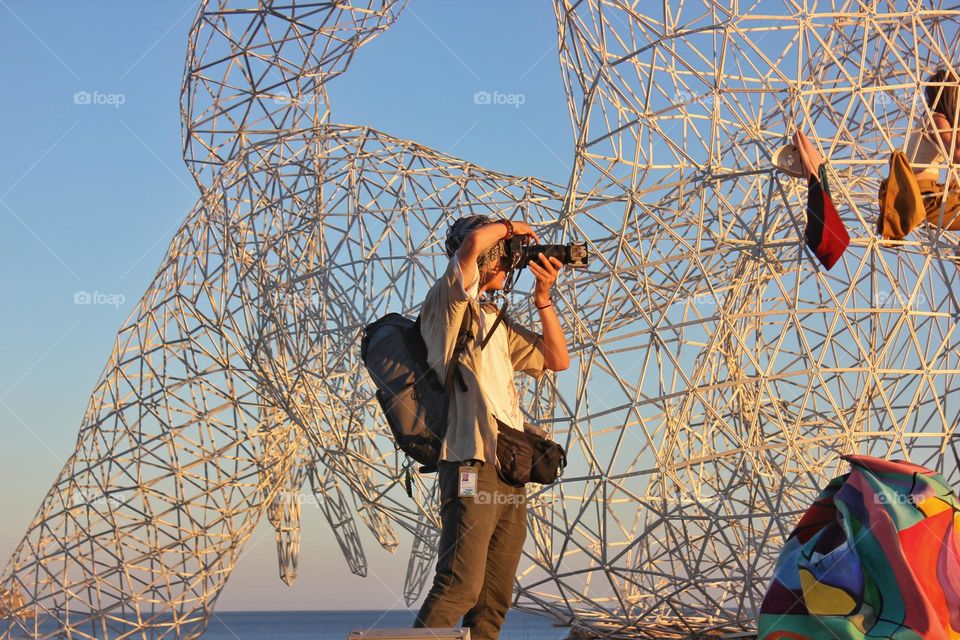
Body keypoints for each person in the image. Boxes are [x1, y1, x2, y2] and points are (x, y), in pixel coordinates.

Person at [412, 215, 570, 639]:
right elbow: (470, 246)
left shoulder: (491, 318)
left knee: (493, 599)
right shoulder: (447, 303)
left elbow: (556, 359)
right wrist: (510, 227)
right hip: (469, 462)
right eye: (505, 258)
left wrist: (543, 297)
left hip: (509, 469)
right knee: (460, 585)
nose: (510, 264)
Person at [877, 68, 960, 239]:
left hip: (927, 194)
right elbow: (957, 153)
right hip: (926, 198)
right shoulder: (936, 119)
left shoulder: (931, 119)